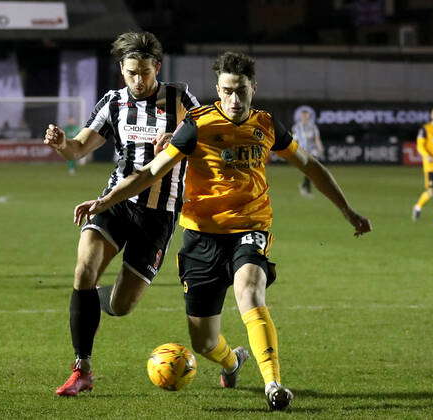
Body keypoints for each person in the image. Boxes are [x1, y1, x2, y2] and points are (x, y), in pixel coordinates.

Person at [73, 52, 371, 411]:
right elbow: (152, 172)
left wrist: (347, 210)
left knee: (249, 290)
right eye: (227, 91)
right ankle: (232, 361)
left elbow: (309, 165)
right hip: (201, 236)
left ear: (253, 89)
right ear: (218, 90)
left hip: (250, 227)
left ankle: (273, 384)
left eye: (241, 91)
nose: (234, 99)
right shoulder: (197, 125)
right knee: (203, 342)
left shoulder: (266, 125)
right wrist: (105, 201)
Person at [43, 31, 199, 397]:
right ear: (121, 70)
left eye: (145, 72)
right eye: (131, 72)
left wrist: (180, 137)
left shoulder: (180, 99)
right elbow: (78, 148)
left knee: (121, 305)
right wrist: (61, 143)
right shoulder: (113, 102)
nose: (138, 80)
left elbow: (207, 139)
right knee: (84, 268)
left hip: (159, 215)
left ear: (156, 68)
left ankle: (94, 303)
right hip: (115, 204)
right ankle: (81, 369)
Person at [292, 109, 324, 197]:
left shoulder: (313, 127)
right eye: (303, 115)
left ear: (309, 116)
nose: (305, 117)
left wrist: (320, 148)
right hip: (303, 151)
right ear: (301, 116)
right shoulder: (297, 127)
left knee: (312, 169)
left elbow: (317, 139)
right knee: (310, 170)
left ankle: (305, 187)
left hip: (313, 150)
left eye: (306, 115)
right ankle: (305, 187)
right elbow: (295, 140)